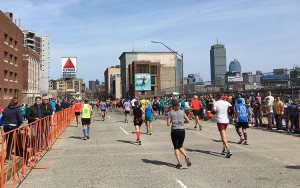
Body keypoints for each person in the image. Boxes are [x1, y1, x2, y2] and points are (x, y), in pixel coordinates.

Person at [167, 100, 191, 169]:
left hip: (174, 130)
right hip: (182, 130)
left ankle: (179, 163)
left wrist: (171, 121)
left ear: (173, 106)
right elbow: (188, 121)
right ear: (179, 105)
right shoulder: (182, 112)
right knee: (181, 146)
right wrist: (182, 122)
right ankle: (186, 156)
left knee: (176, 147)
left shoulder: (170, 113)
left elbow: (168, 124)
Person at [2, 97, 23, 163]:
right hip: (13, 126)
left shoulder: (6, 109)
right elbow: (20, 119)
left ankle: (8, 155)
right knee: (12, 141)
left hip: (6, 126)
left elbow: (3, 117)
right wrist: (18, 125)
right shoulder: (17, 109)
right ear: (16, 103)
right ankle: (8, 157)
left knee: (8, 141)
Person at [213, 93, 233, 158]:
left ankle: (228, 150)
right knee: (222, 134)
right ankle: (224, 148)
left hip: (220, 120)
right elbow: (232, 109)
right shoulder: (227, 103)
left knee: (223, 136)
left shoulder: (216, 103)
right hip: (226, 120)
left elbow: (214, 111)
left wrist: (212, 113)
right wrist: (230, 115)